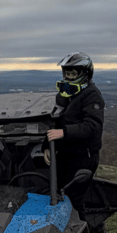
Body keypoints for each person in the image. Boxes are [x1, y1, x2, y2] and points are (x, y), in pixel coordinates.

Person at [44, 52, 104, 220]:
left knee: (75, 200)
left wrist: (64, 132)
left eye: (73, 74)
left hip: (84, 157)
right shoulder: (66, 94)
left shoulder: (92, 95)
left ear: (85, 74)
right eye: (66, 73)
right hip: (66, 155)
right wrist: (46, 146)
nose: (69, 77)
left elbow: (93, 127)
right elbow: (54, 122)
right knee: (58, 196)